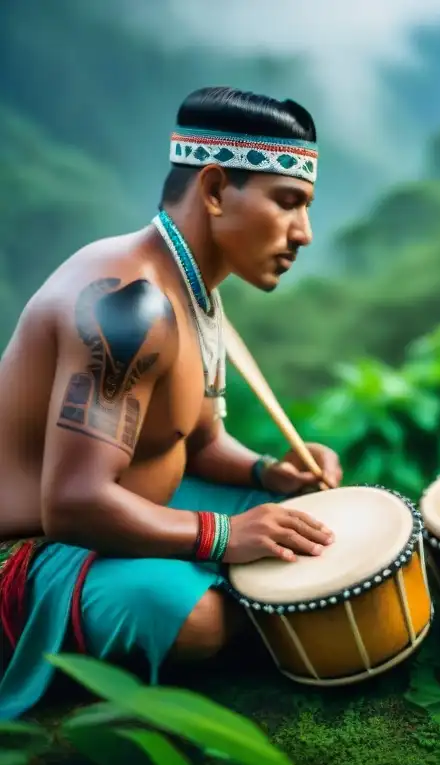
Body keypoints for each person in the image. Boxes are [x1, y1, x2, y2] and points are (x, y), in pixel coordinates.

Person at [0, 86, 344, 720]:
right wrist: (225, 535)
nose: (305, 234)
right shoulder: (129, 305)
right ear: (214, 190)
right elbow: (72, 502)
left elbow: (198, 441)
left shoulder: (194, 288)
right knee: (195, 621)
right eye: (288, 202)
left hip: (139, 512)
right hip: (35, 551)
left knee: (323, 519)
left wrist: (268, 473)